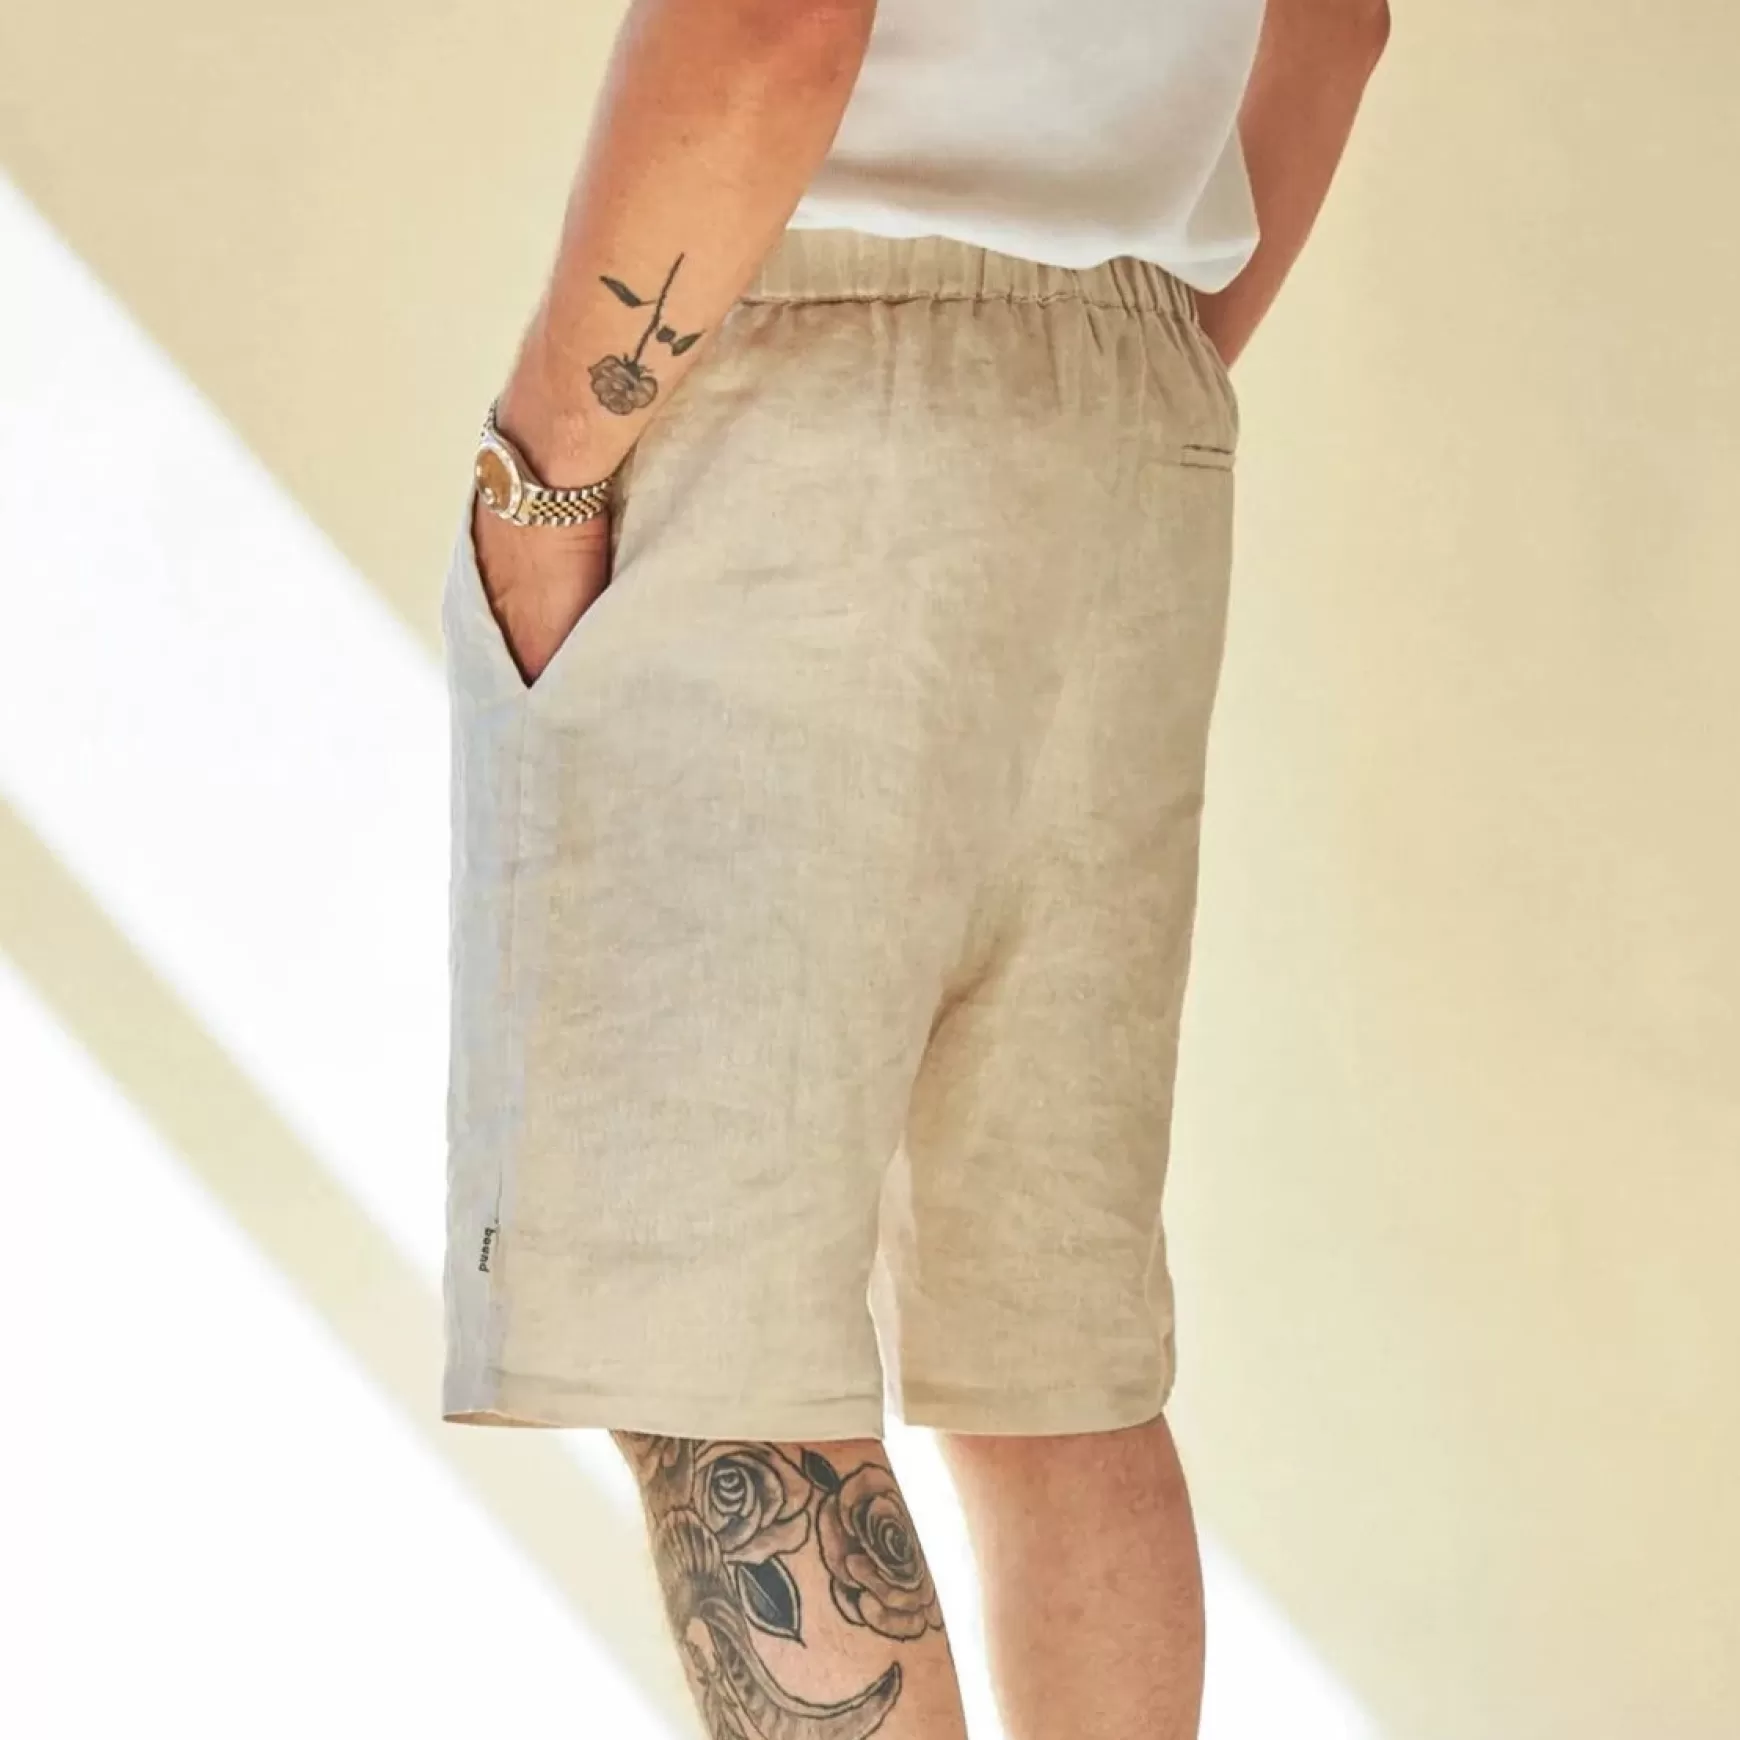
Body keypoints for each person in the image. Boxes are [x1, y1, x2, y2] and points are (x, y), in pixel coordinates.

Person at [438, 1, 1390, 1735]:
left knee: (712, 1353)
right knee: (1049, 1360)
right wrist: (1127, 365)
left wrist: (545, 472)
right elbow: (1337, 20)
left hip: (808, 395)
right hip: (1129, 416)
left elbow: (772, 20)